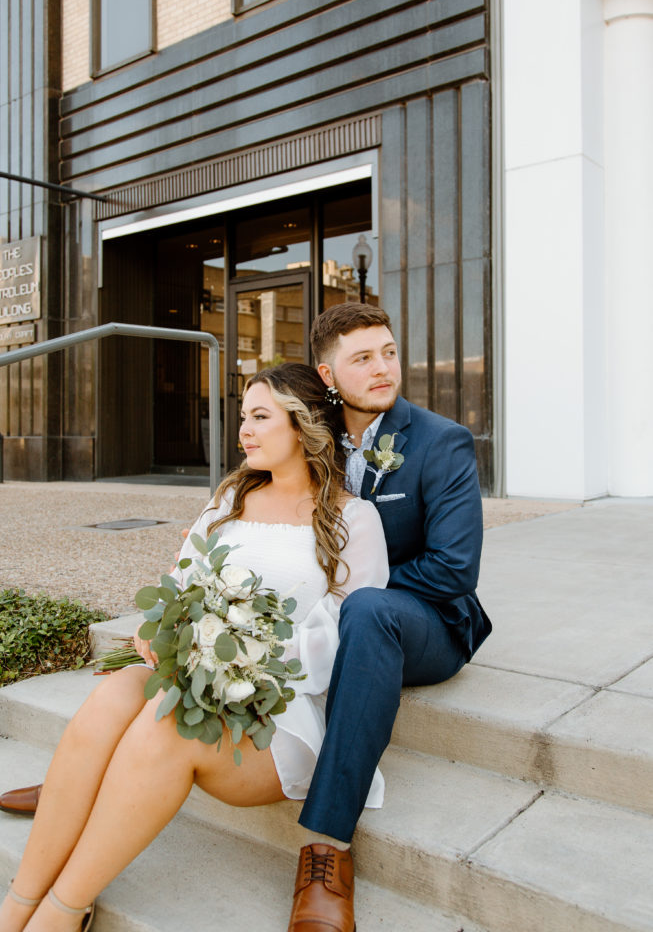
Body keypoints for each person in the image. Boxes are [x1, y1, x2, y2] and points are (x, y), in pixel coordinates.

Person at [0, 363, 389, 932]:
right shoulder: (230, 497)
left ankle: (62, 911)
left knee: (167, 721)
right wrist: (159, 630)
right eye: (242, 418)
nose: (243, 432)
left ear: (305, 428)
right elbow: (183, 585)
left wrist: (242, 653)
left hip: (279, 713)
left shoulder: (354, 520)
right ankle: (18, 904)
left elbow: (352, 642)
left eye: (260, 418)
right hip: (197, 676)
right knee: (111, 699)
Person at [284, 302, 491, 932]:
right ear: (327, 373)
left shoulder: (441, 441)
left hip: (429, 620)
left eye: (390, 352)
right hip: (337, 615)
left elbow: (455, 570)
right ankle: (114, 775)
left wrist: (347, 592)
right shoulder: (311, 436)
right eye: (363, 358)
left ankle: (327, 847)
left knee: (368, 610)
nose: (383, 369)